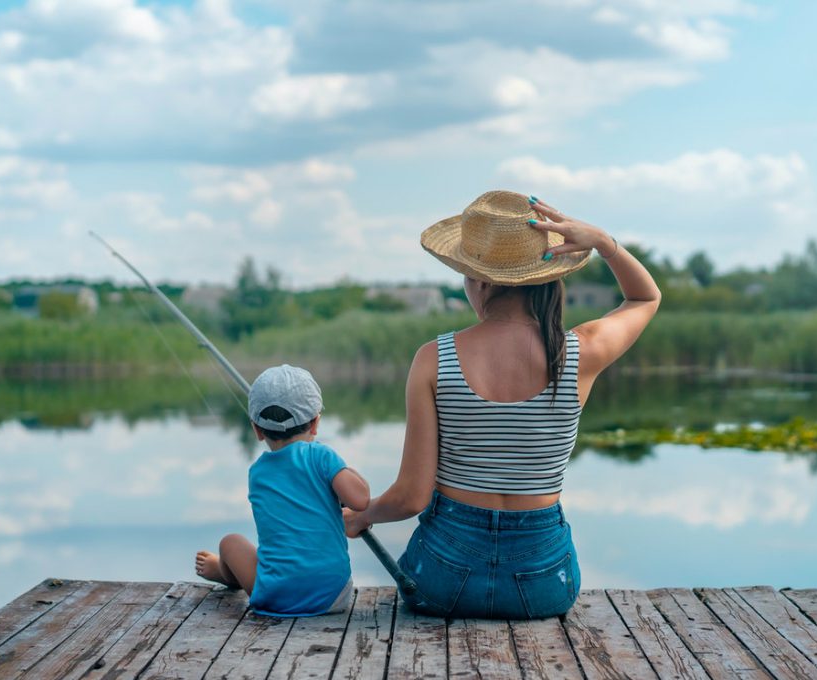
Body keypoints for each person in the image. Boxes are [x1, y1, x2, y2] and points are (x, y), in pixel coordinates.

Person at [343, 190, 660, 619]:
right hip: (545, 583)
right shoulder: (581, 353)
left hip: (441, 580)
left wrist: (364, 516)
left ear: (482, 281)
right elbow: (645, 298)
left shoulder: (434, 359)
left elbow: (411, 497)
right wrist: (604, 242)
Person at [196, 364, 371, 616]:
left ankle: (226, 574)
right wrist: (339, 466)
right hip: (333, 596)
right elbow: (360, 499)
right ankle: (229, 574)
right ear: (315, 424)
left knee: (230, 542)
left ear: (257, 430)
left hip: (274, 597)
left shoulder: (257, 473)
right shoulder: (323, 457)